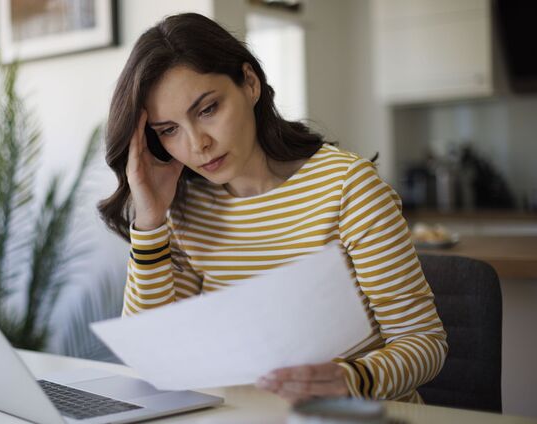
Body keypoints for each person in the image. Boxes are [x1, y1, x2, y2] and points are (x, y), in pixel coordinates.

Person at [98, 12, 447, 405]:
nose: (198, 145)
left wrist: (352, 379)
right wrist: (150, 220)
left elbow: (424, 343)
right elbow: (152, 354)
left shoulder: (348, 187)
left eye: (208, 109)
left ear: (250, 83)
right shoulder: (185, 208)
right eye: (169, 130)